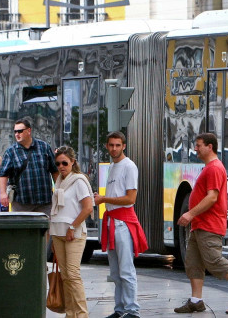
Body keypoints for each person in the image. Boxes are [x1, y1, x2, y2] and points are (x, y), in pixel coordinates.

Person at [174, 133, 228, 313]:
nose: (195, 149)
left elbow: (212, 198)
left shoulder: (214, 168)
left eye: (199, 145)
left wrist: (190, 213)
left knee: (213, 261)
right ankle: (196, 300)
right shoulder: (209, 167)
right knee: (193, 262)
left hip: (209, 224)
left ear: (209, 147)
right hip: (200, 224)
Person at [95, 131, 147, 318]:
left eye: (118, 145)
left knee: (126, 269)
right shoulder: (113, 166)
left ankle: (132, 309)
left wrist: (103, 199)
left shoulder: (129, 166)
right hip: (112, 221)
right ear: (107, 146)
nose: (114, 148)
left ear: (124, 146)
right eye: (111, 145)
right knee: (116, 271)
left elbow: (130, 198)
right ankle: (120, 309)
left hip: (122, 222)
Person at [49, 146, 94, 318]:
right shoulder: (59, 180)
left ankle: (82, 314)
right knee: (65, 276)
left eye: (64, 163)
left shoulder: (79, 181)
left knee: (73, 275)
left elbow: (88, 208)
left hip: (73, 233)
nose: (61, 166)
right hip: (57, 232)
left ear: (73, 162)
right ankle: (70, 314)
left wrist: (73, 227)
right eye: (58, 163)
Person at [0, 117, 57, 213]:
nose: (17, 134)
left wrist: (58, 190)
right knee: (22, 228)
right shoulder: (11, 152)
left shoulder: (44, 147)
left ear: (29, 131)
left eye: (20, 131)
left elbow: (54, 170)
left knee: (45, 228)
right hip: (21, 202)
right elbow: (3, 174)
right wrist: (3, 193)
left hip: (44, 202)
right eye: (15, 132)